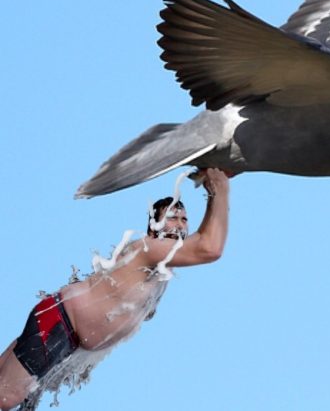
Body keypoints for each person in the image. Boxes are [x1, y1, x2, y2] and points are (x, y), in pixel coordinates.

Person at [0, 168, 230, 411]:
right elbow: (210, 248)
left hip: (64, 333)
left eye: (184, 219)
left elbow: (204, 238)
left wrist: (211, 195)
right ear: (154, 227)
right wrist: (221, 189)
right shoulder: (150, 248)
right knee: (7, 397)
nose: (180, 224)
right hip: (59, 324)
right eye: (172, 218)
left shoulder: (162, 264)